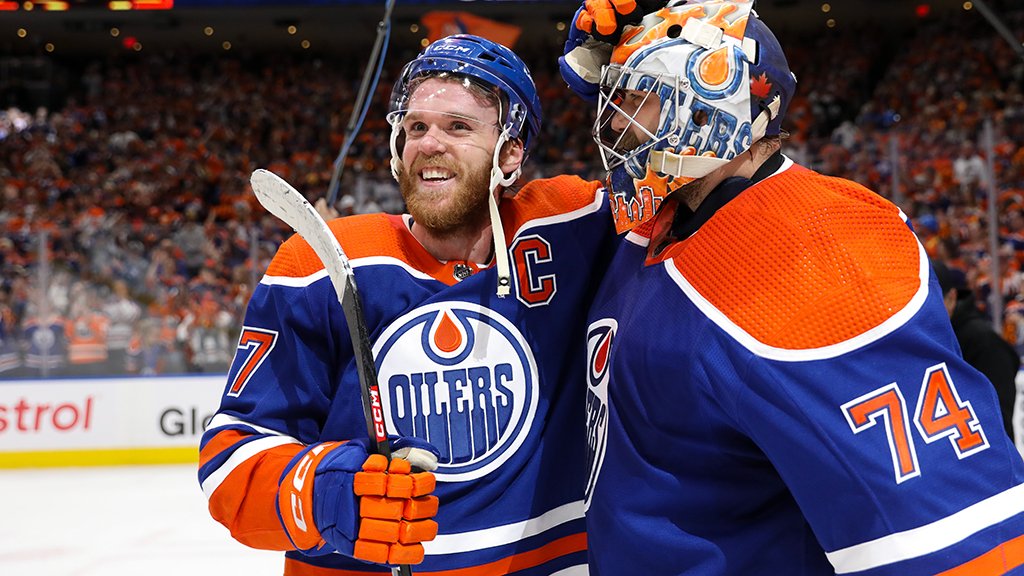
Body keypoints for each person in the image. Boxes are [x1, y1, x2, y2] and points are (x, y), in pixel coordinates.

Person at [559, 1, 1024, 574]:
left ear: (709, 108)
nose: (614, 124)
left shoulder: (814, 248)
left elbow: (953, 538)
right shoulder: (660, 221)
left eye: (637, 101)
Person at [199, 34, 614, 574]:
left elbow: (688, 183)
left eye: (458, 127)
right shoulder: (318, 265)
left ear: (511, 152)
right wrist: (329, 494)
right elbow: (231, 459)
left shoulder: (569, 226)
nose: (429, 143)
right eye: (416, 126)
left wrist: (626, 54)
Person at [933, 259, 1020, 440]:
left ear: (951, 299)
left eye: (931, 301)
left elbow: (999, 425)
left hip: (977, 458)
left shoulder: (982, 341)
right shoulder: (927, 339)